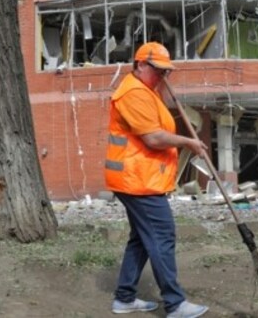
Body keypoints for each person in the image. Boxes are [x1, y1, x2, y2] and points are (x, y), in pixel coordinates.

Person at [105, 41, 210, 318]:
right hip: (137, 180)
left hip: (141, 178)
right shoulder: (133, 93)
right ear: (140, 65)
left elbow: (157, 120)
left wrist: (160, 84)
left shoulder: (146, 90)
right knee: (162, 235)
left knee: (141, 238)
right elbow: (153, 138)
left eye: (167, 72)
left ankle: (124, 298)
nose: (163, 76)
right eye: (159, 70)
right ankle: (175, 303)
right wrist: (189, 141)